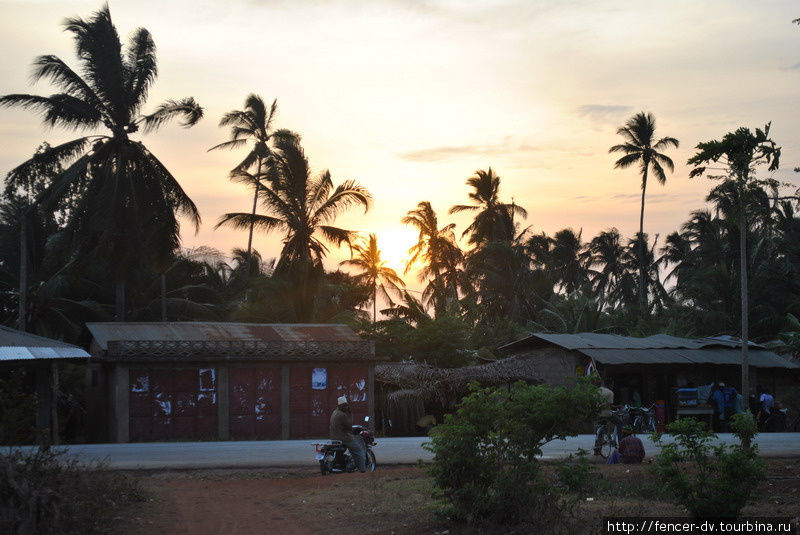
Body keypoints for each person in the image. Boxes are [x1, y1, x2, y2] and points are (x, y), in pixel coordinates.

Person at [329, 395, 366, 472]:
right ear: (341, 406)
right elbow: (349, 426)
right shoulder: (342, 415)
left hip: (334, 438)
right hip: (343, 438)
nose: (346, 407)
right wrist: (350, 413)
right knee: (358, 450)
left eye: (346, 405)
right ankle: (363, 470)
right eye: (345, 405)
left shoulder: (334, 412)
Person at [594, 378, 621, 456]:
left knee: (600, 429)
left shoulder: (597, 391)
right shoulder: (610, 393)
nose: (612, 386)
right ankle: (621, 443)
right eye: (612, 384)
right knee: (619, 423)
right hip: (606, 414)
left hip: (597, 414)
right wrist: (618, 406)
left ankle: (597, 449)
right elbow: (610, 405)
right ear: (610, 384)